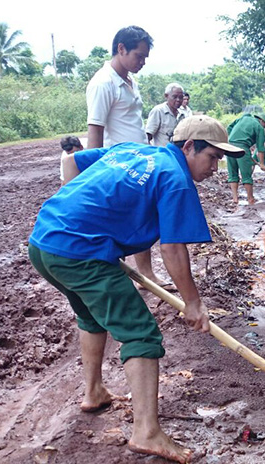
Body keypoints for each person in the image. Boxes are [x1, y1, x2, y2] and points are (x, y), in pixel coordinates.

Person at [29, 115, 245, 464]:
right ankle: (147, 432)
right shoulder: (175, 179)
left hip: (44, 243)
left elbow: (72, 162)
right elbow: (173, 249)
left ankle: (94, 391)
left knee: (92, 316)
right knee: (141, 335)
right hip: (79, 252)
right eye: (213, 158)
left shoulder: (133, 150)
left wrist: (78, 216)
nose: (215, 169)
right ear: (188, 147)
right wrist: (193, 303)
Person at [85, 25, 166, 289]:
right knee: (119, 220)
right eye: (139, 56)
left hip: (137, 160)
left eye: (144, 58)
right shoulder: (103, 83)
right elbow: (95, 129)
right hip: (117, 166)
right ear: (121, 49)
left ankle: (146, 274)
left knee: (142, 216)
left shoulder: (130, 81)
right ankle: (119, 276)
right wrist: (93, 173)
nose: (142, 62)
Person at [226, 112, 265, 205]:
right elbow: (261, 148)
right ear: (262, 121)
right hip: (242, 148)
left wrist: (233, 138)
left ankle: (235, 199)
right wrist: (261, 164)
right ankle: (250, 199)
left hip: (229, 146)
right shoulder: (259, 127)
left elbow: (229, 127)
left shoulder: (243, 118)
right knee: (246, 175)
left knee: (233, 174)